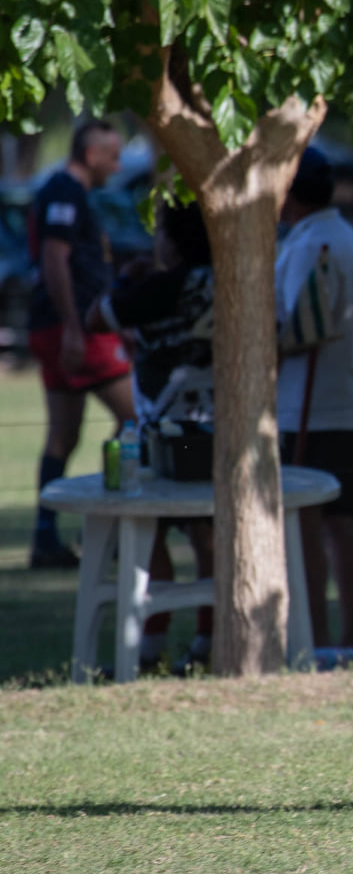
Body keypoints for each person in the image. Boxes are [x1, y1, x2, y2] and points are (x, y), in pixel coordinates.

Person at [87, 200, 216, 669]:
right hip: (216, 433)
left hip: (163, 437)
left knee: (147, 531)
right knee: (207, 535)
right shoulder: (228, 283)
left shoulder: (162, 286)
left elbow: (96, 318)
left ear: (175, 241)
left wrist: (128, 279)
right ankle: (207, 641)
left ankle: (149, 648)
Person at [275, 147, 353, 659]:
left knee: (309, 528)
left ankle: (316, 641)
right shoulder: (343, 235)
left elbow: (299, 330)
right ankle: (352, 638)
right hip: (345, 400)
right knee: (342, 524)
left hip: (313, 408)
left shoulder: (311, 243)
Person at [26, 118, 134, 569]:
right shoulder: (65, 192)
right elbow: (55, 257)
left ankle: (45, 538)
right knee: (137, 419)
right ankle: (112, 527)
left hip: (59, 327)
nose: (118, 165)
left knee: (63, 435)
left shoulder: (64, 191)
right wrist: (73, 325)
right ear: (91, 155)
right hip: (76, 331)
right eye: (113, 156)